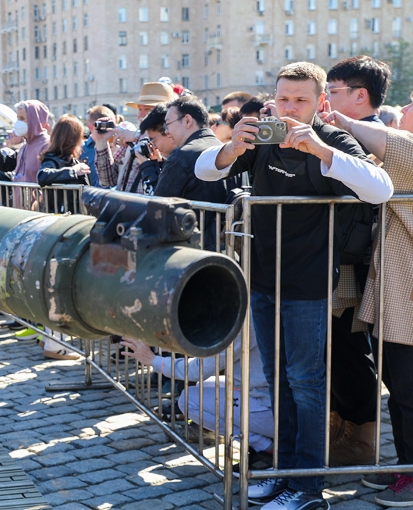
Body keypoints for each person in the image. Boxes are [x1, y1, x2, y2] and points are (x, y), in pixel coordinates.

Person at [195, 61, 394, 510]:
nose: (289, 108)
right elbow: (207, 171)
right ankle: (284, 472)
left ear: (320, 102)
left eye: (301, 100)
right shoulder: (262, 136)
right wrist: (230, 148)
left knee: (307, 383)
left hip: (309, 283)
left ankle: (307, 486)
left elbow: (380, 188)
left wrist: (320, 150)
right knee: (277, 378)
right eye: (283, 98)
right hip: (262, 277)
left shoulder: (332, 138)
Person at [322, 105, 413, 508]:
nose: (404, 112)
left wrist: (340, 123)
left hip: (408, 300)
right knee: (399, 386)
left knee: (410, 389)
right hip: (397, 299)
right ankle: (407, 463)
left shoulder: (404, 152)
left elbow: (398, 150)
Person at [323, 55, 393, 466]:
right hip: (346, 259)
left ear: (360, 95)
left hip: (366, 262)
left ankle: (361, 436)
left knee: (351, 351)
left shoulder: (379, 138)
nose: (325, 100)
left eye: (332, 91)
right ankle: (343, 427)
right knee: (338, 349)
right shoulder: (346, 134)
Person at [120, 328, 275, 471]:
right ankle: (266, 443)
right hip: (268, 396)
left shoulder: (244, 324)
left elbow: (197, 369)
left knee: (190, 400)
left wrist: (153, 360)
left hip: (273, 409)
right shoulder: (253, 310)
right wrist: (161, 342)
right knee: (204, 387)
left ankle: (266, 447)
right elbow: (210, 349)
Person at [154, 96, 229, 250]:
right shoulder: (229, 152)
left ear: (187, 120)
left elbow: (157, 210)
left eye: (168, 124)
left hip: (192, 254)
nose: (166, 132)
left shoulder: (181, 156)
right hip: (231, 254)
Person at [94, 82, 178, 192]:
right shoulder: (131, 137)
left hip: (149, 207)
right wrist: (101, 142)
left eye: (147, 109)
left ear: (164, 113)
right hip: (126, 207)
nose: (141, 114)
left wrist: (136, 136)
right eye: (139, 109)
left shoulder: (172, 141)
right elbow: (108, 180)